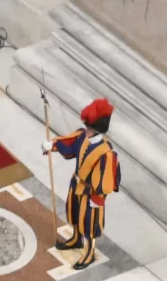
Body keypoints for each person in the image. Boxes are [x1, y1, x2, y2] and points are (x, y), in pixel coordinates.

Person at [50, 99, 120, 269]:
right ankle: (76, 239)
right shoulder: (83, 136)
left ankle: (89, 253)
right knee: (74, 214)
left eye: (90, 128)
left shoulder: (106, 152)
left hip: (91, 193)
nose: (87, 130)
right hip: (77, 184)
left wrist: (97, 198)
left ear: (97, 130)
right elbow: (70, 145)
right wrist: (52, 145)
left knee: (89, 223)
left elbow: (106, 178)